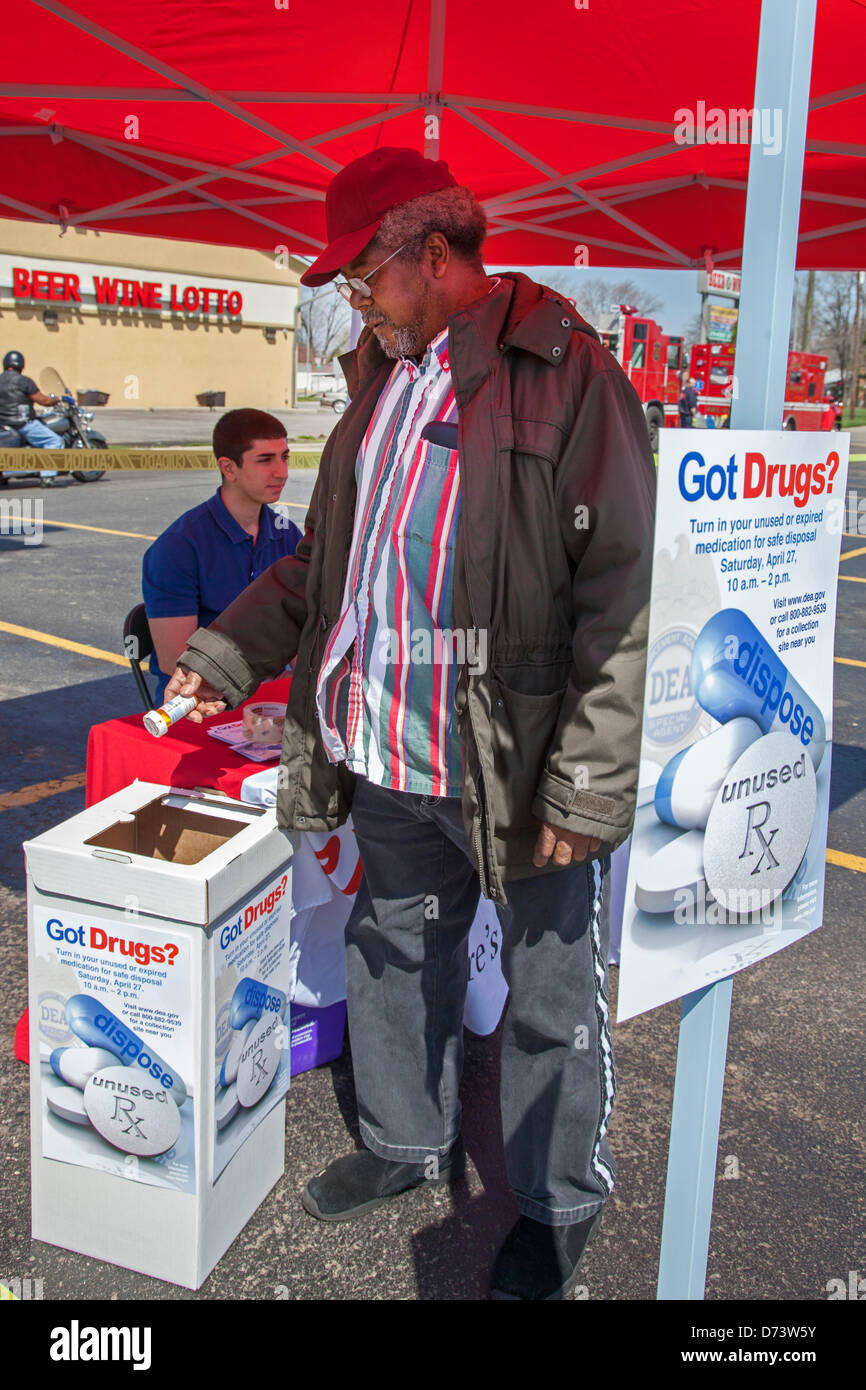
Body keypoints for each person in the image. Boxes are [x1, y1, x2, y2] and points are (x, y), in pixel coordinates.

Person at [164, 147, 655, 1300]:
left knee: (547, 995)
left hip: (513, 763)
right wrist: (223, 655)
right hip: (385, 748)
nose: (352, 300)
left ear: (430, 255)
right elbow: (323, 570)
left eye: (362, 276)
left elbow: (619, 590)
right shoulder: (381, 381)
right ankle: (402, 1137)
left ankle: (556, 1200)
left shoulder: (563, 368)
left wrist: (585, 781)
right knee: (393, 948)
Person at [141, 408, 302, 704]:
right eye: (265, 460)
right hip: (200, 701)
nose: (282, 472)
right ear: (228, 468)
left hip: (270, 698)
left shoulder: (288, 534)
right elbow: (175, 660)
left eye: (284, 457)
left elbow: (302, 629)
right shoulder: (177, 547)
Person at [0, 351, 64, 447]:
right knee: (56, 441)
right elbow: (44, 401)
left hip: (3, 424)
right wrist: (59, 399)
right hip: (23, 424)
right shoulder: (24, 381)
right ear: (21, 365)